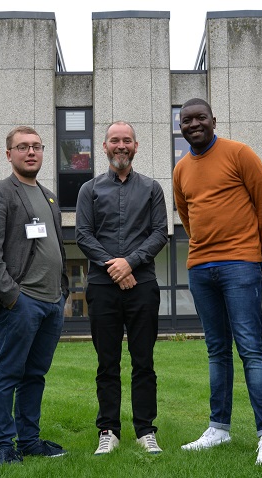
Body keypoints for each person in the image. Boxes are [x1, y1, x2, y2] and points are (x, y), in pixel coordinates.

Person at [172, 98, 262, 465]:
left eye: (200, 117)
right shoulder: (181, 168)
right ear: (180, 126)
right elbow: (187, 215)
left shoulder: (239, 154)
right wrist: (204, 248)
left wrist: (258, 257)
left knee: (250, 350)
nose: (193, 124)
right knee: (216, 351)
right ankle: (219, 428)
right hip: (200, 268)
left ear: (213, 120)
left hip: (241, 264)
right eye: (186, 120)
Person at [0, 126, 69, 466]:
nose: (30, 153)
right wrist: (13, 296)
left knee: (35, 375)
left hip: (52, 302)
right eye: (22, 147)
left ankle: (29, 441)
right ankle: (3, 445)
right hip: (22, 302)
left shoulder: (48, 196)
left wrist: (62, 293)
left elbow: (55, 246)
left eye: (36, 147)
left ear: (43, 152)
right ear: (9, 154)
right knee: (7, 374)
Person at [75, 121, 168, 456]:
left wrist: (130, 263)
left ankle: (145, 430)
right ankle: (108, 430)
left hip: (142, 285)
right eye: (114, 140)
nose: (121, 145)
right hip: (102, 286)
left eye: (126, 140)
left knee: (144, 361)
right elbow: (83, 234)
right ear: (104, 147)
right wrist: (115, 267)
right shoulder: (90, 189)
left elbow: (160, 232)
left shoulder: (152, 188)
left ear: (136, 146)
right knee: (107, 363)